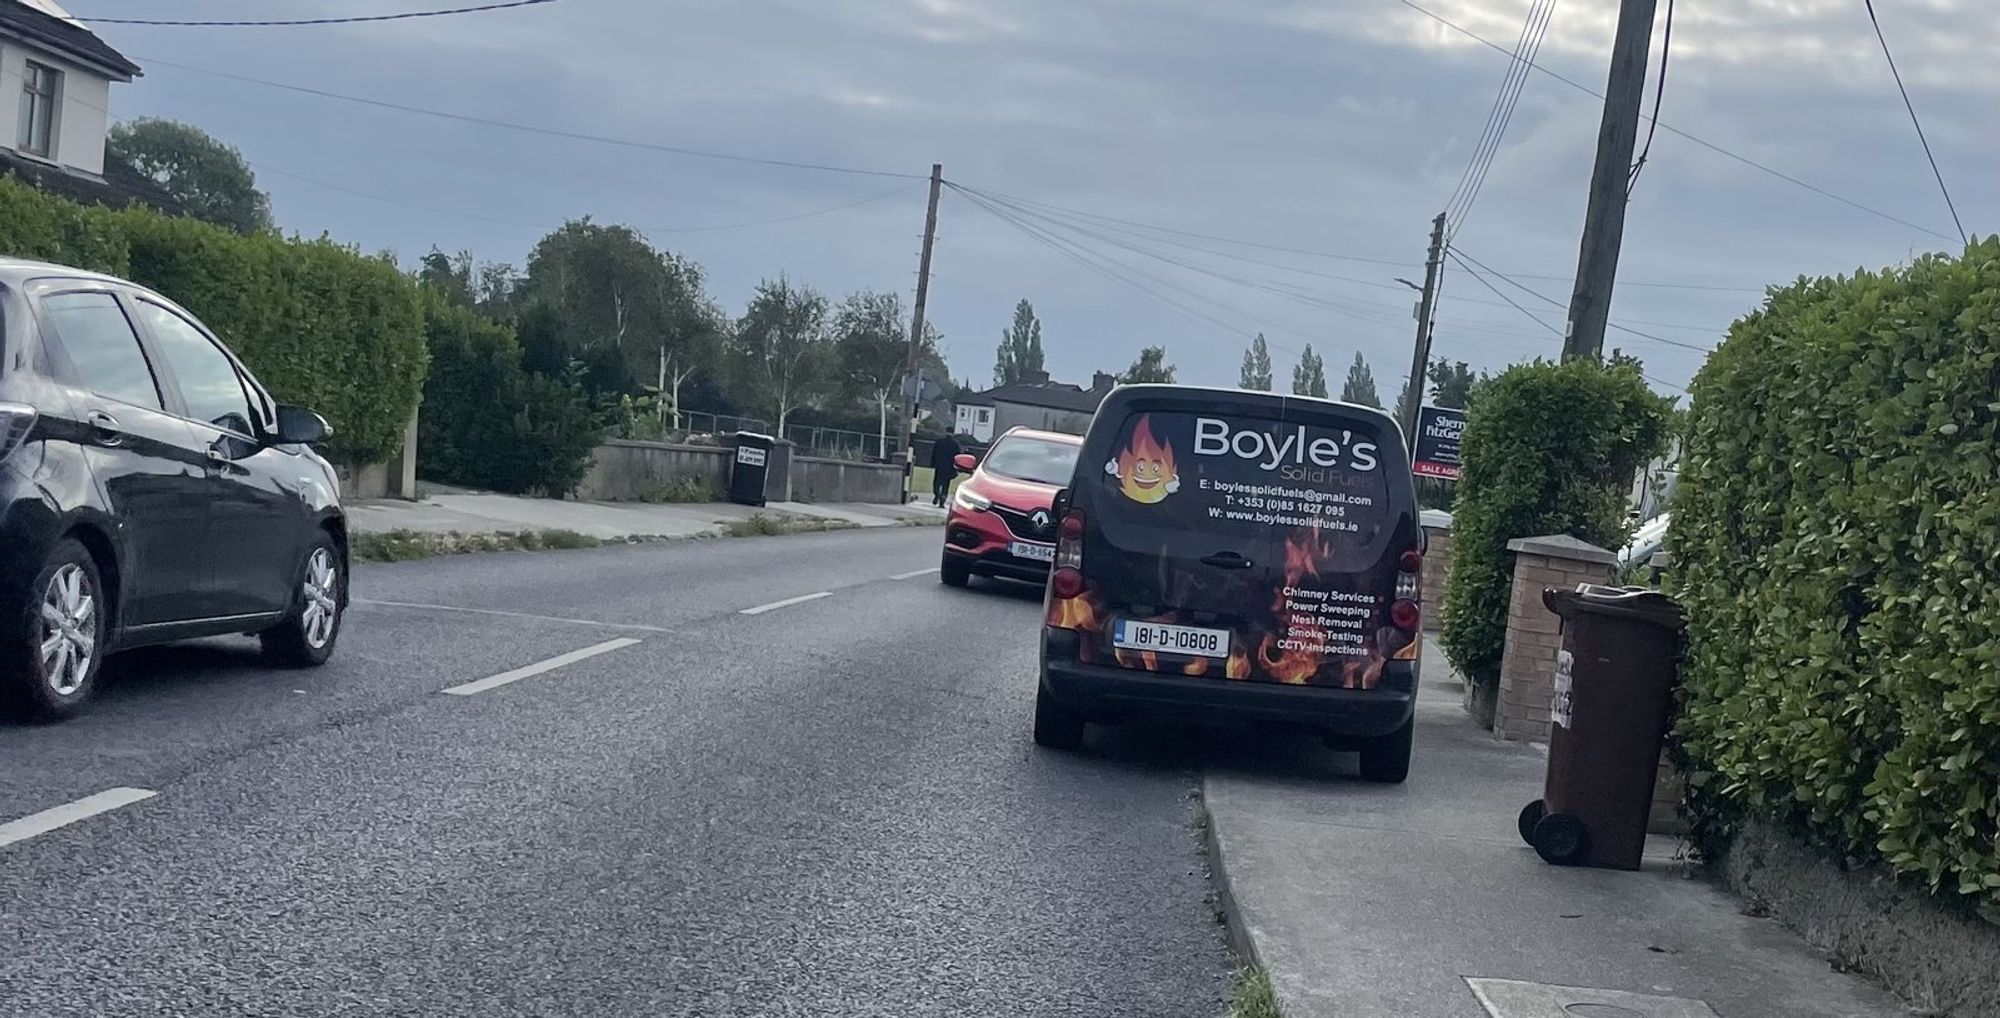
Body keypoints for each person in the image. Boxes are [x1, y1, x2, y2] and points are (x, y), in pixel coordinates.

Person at [929, 433, 963, 507]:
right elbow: (958, 457)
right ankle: (942, 501)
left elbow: (934, 453)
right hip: (949, 467)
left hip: (939, 466)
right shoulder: (955, 444)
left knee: (936, 483)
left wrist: (932, 463)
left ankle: (937, 494)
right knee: (945, 485)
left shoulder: (939, 442)